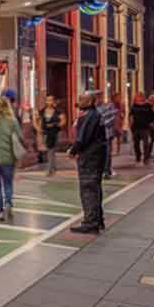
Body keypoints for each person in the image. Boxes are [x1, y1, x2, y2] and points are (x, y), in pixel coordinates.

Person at [68, 91, 108, 233]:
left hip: (90, 157)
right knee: (95, 187)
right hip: (97, 155)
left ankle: (90, 222)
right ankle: (98, 219)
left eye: (82, 99)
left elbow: (82, 138)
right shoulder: (95, 114)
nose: (79, 102)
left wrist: (72, 151)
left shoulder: (88, 116)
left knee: (88, 188)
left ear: (90, 102)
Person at [36, 95, 64, 176]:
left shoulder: (58, 111)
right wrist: (38, 128)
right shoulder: (42, 111)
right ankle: (52, 168)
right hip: (46, 133)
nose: (49, 102)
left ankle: (50, 169)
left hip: (55, 132)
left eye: (51, 100)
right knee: (50, 150)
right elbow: (36, 119)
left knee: (51, 150)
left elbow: (63, 121)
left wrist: (56, 124)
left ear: (54, 101)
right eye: (48, 100)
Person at [129, 91, 154, 164]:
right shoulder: (134, 106)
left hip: (145, 127)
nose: (139, 98)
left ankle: (146, 158)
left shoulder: (148, 105)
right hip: (135, 127)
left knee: (146, 143)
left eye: (141, 96)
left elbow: (152, 116)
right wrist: (131, 125)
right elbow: (131, 116)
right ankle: (138, 155)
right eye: (138, 96)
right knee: (136, 144)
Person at [96, 93, 117, 179]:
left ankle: (106, 171)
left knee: (107, 153)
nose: (97, 100)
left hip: (106, 133)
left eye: (98, 98)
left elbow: (111, 118)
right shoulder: (93, 109)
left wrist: (101, 123)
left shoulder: (108, 106)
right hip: (96, 135)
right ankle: (101, 170)